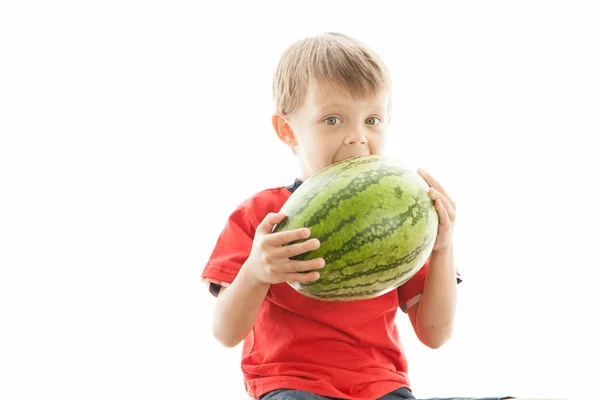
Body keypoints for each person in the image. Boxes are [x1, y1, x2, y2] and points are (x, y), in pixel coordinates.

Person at [201, 32, 514, 400]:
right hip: (295, 387)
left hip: (384, 389)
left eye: (372, 119)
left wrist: (442, 247)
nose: (357, 137)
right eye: (333, 120)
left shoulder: (398, 217)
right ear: (287, 130)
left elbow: (435, 334)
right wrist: (256, 271)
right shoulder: (260, 218)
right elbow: (225, 332)